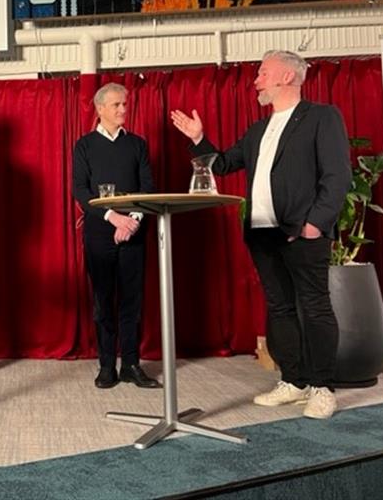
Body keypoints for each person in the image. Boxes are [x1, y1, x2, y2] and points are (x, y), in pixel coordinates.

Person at [171, 50, 351, 419]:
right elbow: (222, 163)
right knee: (280, 308)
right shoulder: (258, 130)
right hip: (263, 233)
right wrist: (199, 137)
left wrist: (314, 223)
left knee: (314, 307)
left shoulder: (321, 117)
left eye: (263, 72)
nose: (256, 80)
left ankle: (322, 388)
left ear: (287, 77)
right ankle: (294, 381)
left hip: (303, 232)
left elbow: (337, 176)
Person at [73, 83, 160, 389]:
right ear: (100, 109)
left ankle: (132, 364)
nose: (124, 109)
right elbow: (80, 191)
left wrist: (133, 220)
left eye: (125, 104)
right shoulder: (84, 146)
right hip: (99, 233)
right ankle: (107, 364)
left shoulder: (137, 145)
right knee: (102, 301)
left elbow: (146, 187)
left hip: (134, 232)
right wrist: (114, 218)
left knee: (132, 302)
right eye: (117, 105)